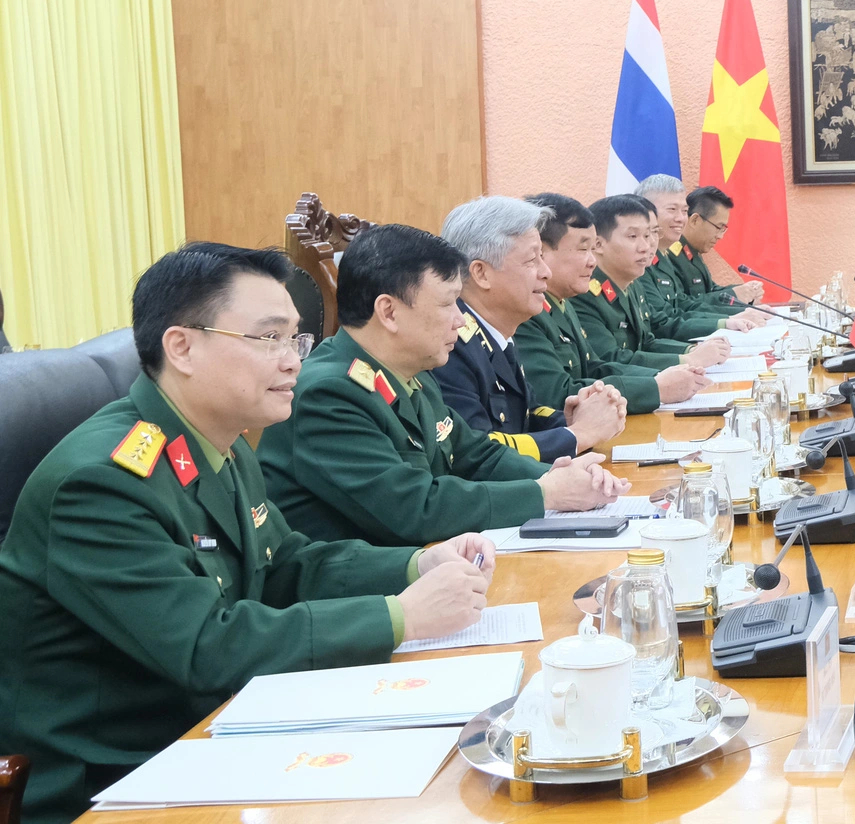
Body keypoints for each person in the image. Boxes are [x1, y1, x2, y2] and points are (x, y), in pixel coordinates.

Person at [0, 244, 494, 824]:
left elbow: (285, 562)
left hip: (224, 728)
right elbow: (205, 648)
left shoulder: (218, 440)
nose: (293, 362)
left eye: (297, 340)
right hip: (124, 777)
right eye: (269, 339)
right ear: (181, 347)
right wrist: (398, 616)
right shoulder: (101, 481)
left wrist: (415, 567)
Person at [260, 225, 625, 545]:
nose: (459, 320)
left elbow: (475, 455)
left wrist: (560, 476)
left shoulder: (408, 372)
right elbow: (412, 508)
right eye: (448, 304)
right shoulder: (330, 392)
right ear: (389, 312)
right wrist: (543, 493)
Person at [436, 196, 627, 461]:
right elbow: (476, 451)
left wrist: (571, 420)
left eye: (542, 257)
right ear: (481, 273)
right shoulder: (449, 343)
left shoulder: (496, 332)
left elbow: (525, 415)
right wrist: (578, 435)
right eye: (531, 261)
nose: (546, 272)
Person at [515, 192, 714, 415]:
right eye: (583, 249)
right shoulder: (526, 312)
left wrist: (666, 376)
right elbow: (558, 395)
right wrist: (656, 388)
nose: (592, 262)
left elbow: (595, 366)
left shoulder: (561, 300)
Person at [576, 195, 735, 370]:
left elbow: (647, 342)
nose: (646, 246)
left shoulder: (632, 284)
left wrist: (690, 350)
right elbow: (610, 359)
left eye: (649, 235)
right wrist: (687, 360)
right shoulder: (584, 293)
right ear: (598, 244)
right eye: (632, 236)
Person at [637, 174, 763, 331]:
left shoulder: (663, 257)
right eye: (672, 209)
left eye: (684, 211)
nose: (681, 218)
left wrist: (738, 313)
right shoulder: (642, 261)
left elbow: (683, 305)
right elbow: (663, 322)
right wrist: (728, 319)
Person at [664, 185, 765, 310]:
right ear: (695, 220)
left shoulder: (692, 252)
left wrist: (744, 291)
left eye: (724, 229)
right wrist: (734, 294)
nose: (720, 236)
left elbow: (709, 290)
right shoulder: (671, 256)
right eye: (718, 227)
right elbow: (681, 305)